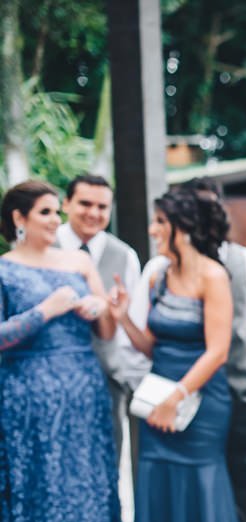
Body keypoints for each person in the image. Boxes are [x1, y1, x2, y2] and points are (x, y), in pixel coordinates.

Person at [109, 188, 246, 522]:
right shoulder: (159, 276)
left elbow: (217, 350)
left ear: (182, 226)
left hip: (200, 402)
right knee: (157, 494)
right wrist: (124, 321)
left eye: (159, 222)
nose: (153, 230)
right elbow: (155, 346)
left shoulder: (213, 276)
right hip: (160, 394)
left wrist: (176, 398)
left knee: (202, 493)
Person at [0, 181, 127, 522]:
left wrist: (107, 308)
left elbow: (107, 331)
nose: (57, 221)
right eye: (48, 212)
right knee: (40, 504)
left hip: (82, 392)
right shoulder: (5, 270)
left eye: (57, 212)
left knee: (87, 499)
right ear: (19, 218)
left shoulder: (79, 263)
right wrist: (42, 312)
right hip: (27, 398)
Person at [132, 178, 246, 522]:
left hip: (234, 392)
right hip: (170, 397)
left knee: (237, 486)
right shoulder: (160, 268)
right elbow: (147, 334)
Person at [55, 174, 146, 466]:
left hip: (106, 379)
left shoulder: (125, 256)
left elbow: (131, 320)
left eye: (102, 207)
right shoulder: (45, 245)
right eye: (85, 204)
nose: (93, 213)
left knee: (106, 462)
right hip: (52, 374)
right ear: (66, 203)